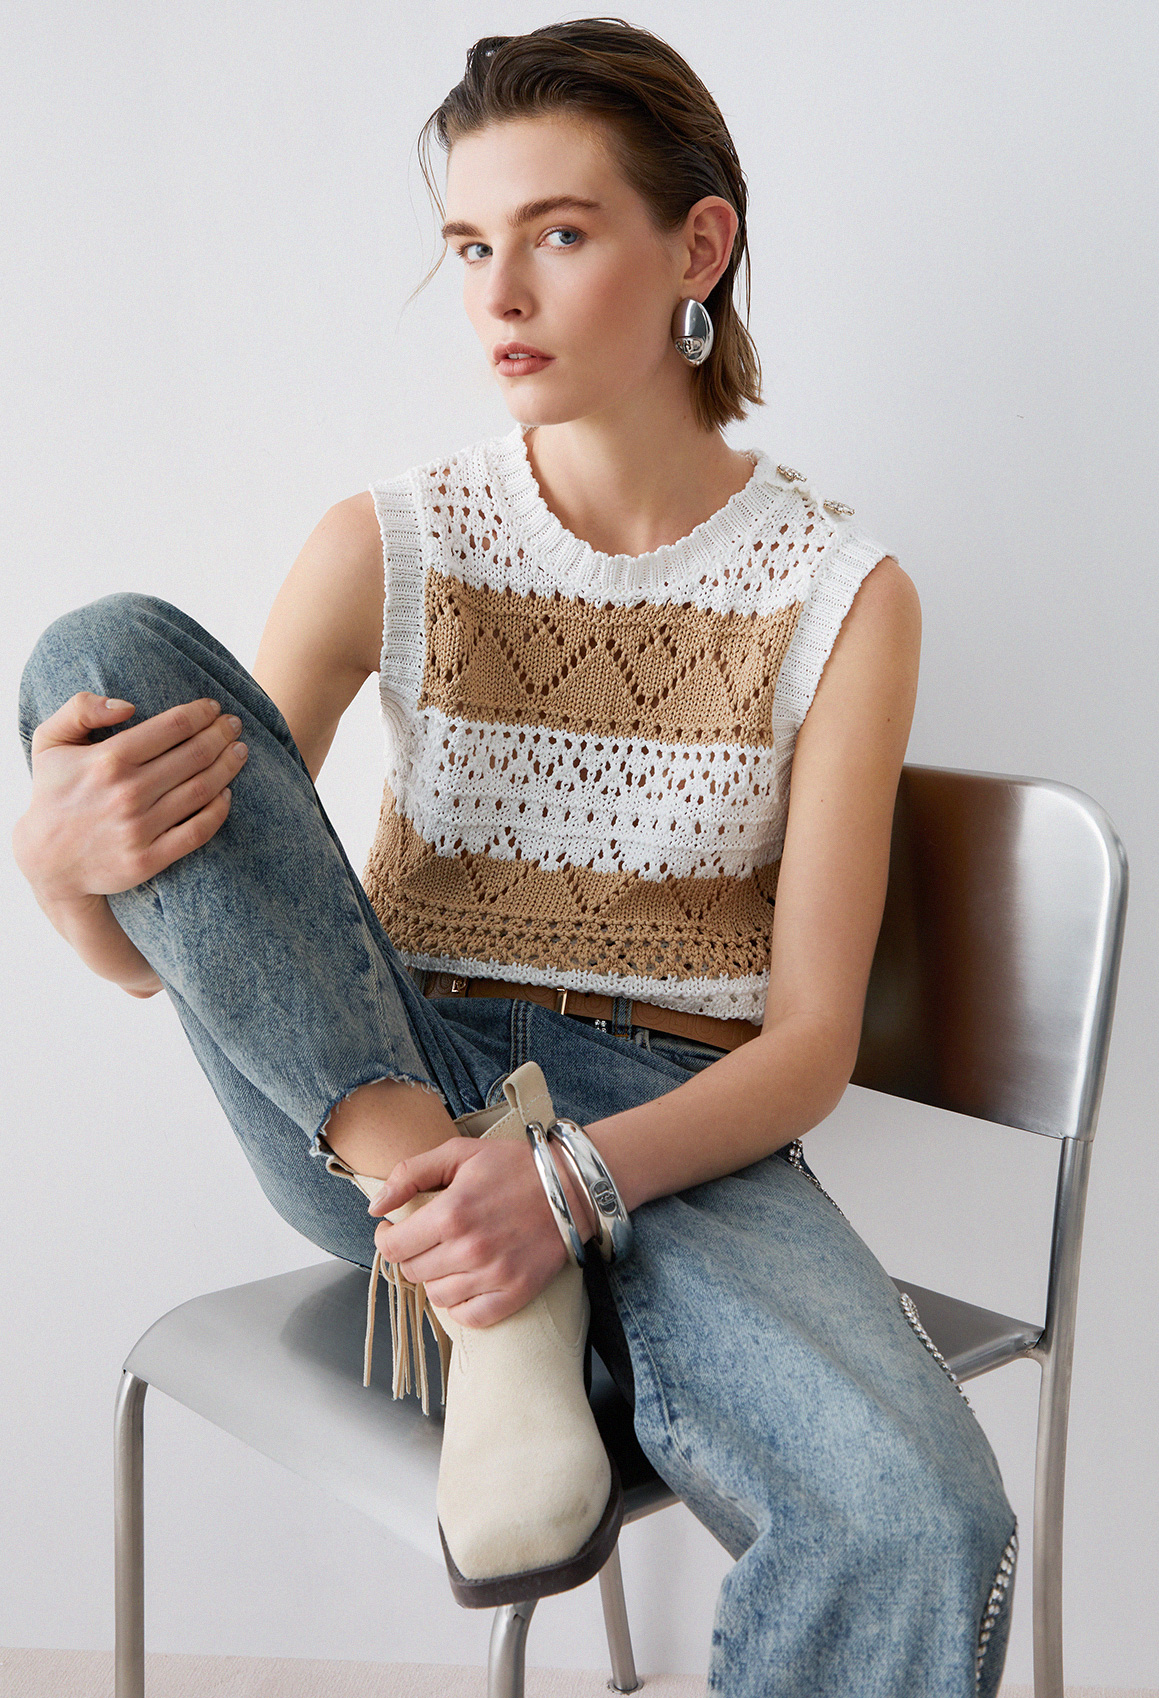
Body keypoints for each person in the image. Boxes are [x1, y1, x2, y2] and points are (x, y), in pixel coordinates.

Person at [14, 18, 1017, 1694]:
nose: (498, 295)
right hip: (381, 1072)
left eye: (557, 233)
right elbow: (194, 938)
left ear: (697, 246)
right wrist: (59, 873)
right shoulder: (391, 541)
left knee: (921, 1514)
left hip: (674, 1127)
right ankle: (480, 1274)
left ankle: (513, 1267)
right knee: (97, 653)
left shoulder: (841, 593)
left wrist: (562, 1184)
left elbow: (806, 1047)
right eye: (471, 246)